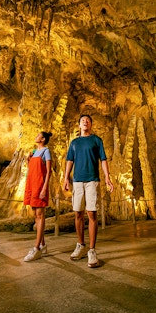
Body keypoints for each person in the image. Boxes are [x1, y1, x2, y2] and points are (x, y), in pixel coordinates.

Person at [63, 115, 114, 268]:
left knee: (91, 213)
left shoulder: (96, 140)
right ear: (79, 125)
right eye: (82, 121)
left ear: (91, 124)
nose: (85, 122)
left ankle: (92, 250)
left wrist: (107, 177)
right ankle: (81, 245)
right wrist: (66, 178)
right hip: (77, 180)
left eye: (87, 120)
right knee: (78, 213)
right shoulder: (74, 143)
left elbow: (103, 159)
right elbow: (69, 161)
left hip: (92, 180)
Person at [23, 131, 53, 262]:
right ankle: (43, 244)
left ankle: (36, 248)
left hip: (40, 186)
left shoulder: (46, 151)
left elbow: (48, 171)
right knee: (35, 215)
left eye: (38, 135)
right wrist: (28, 159)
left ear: (43, 139)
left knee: (40, 215)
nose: (35, 136)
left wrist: (45, 188)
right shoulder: (34, 152)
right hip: (31, 185)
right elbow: (32, 169)